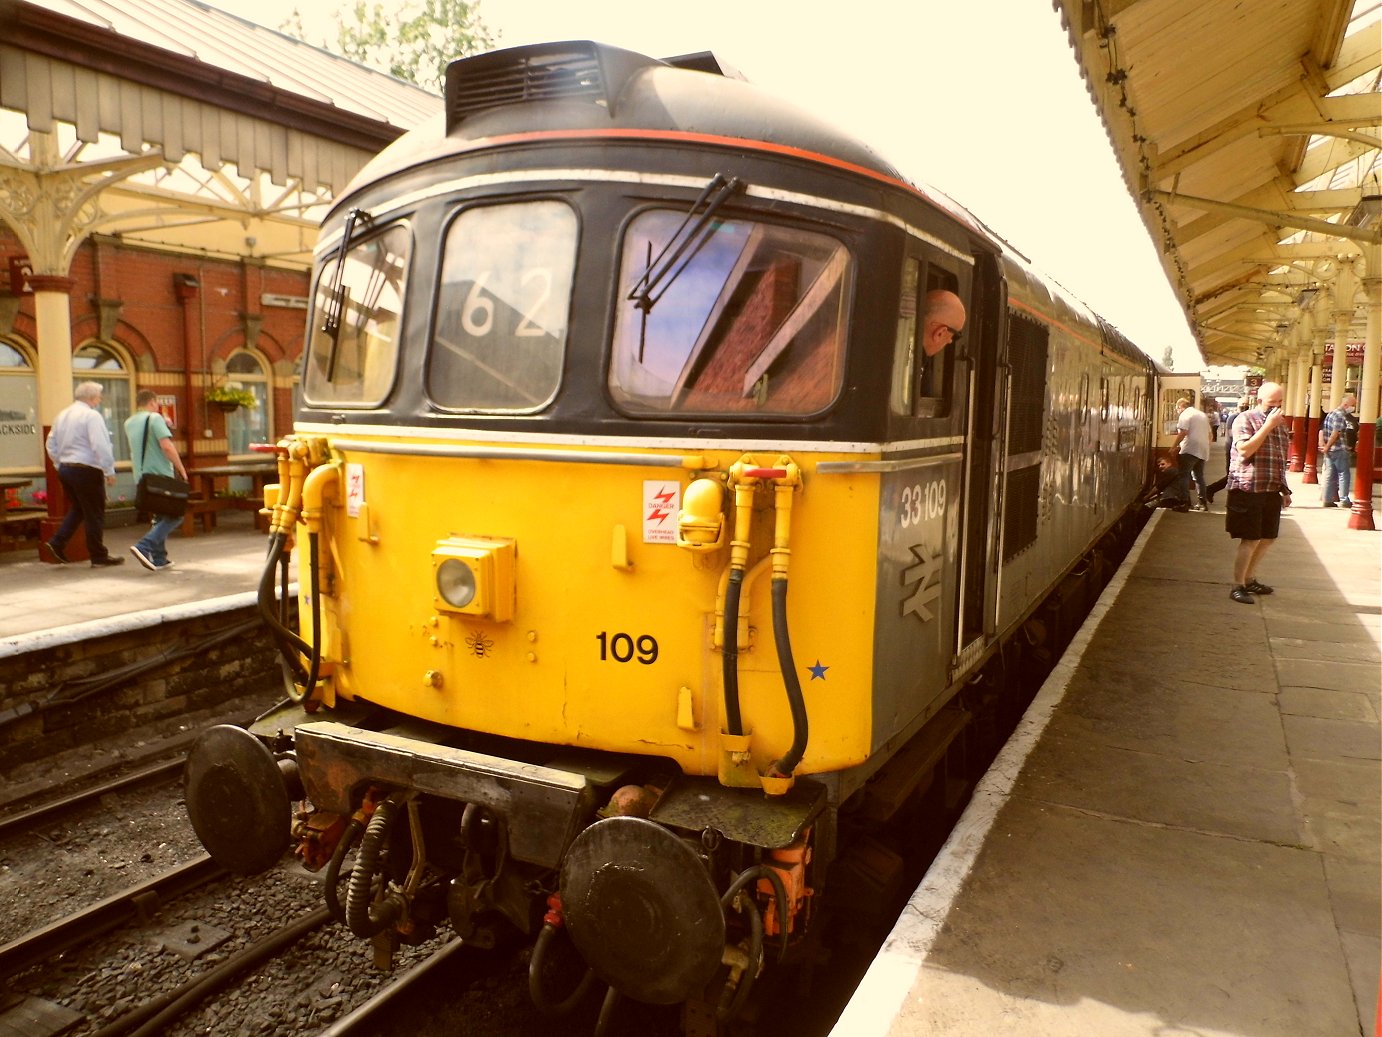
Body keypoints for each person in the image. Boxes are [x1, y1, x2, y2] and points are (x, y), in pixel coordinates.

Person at [44, 381, 125, 566]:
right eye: (99, 396)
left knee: (79, 509)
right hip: (87, 469)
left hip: (66, 468)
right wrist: (109, 470)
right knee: (94, 513)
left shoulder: (62, 415)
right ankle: (98, 555)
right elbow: (100, 444)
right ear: (91, 397)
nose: (100, 399)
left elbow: (50, 443)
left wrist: (59, 463)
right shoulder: (91, 416)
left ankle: (57, 543)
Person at [1225, 381, 1291, 605]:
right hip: (1248, 487)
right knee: (1250, 539)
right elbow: (1244, 450)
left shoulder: (1280, 424)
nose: (1277, 407)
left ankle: (1249, 578)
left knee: (1268, 537)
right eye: (1273, 402)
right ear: (1260, 399)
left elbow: (1280, 458)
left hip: (1271, 487)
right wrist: (1268, 426)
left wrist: (1284, 489)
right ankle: (1237, 584)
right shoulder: (1245, 419)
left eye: (1280, 402)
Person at [123, 389, 189, 571]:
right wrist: (181, 468)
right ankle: (144, 546)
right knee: (176, 515)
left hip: (142, 477)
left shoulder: (129, 422)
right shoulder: (155, 419)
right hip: (160, 475)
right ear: (152, 402)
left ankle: (160, 558)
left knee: (160, 516)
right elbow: (166, 446)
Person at [1173, 397, 1212, 510]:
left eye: (1177, 409)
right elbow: (1210, 435)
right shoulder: (1202, 415)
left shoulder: (1185, 415)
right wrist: (1206, 446)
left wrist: (1173, 447)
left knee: (1184, 475)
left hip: (1190, 449)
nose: (1177, 411)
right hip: (1203, 450)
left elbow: (1183, 432)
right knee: (1199, 477)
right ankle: (1202, 503)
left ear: (1181, 407)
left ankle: (1184, 503)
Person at [1319, 393, 1357, 509]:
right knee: (1343, 474)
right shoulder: (1340, 415)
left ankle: (1327, 499)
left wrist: (1322, 445)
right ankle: (1344, 499)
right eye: (1353, 405)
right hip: (1339, 449)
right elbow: (1336, 433)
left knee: (1330, 475)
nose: (1354, 407)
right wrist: (1327, 446)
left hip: (1330, 450)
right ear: (1346, 405)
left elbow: (1321, 430)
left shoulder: (1330, 414)